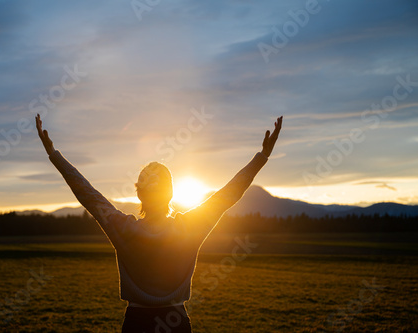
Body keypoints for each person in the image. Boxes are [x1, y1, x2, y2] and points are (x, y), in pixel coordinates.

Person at [36, 114, 282, 333]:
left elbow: (86, 192)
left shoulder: (122, 228)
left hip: (136, 323)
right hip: (176, 322)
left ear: (139, 194)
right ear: (171, 194)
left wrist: (53, 154)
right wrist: (262, 157)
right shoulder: (189, 228)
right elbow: (228, 194)